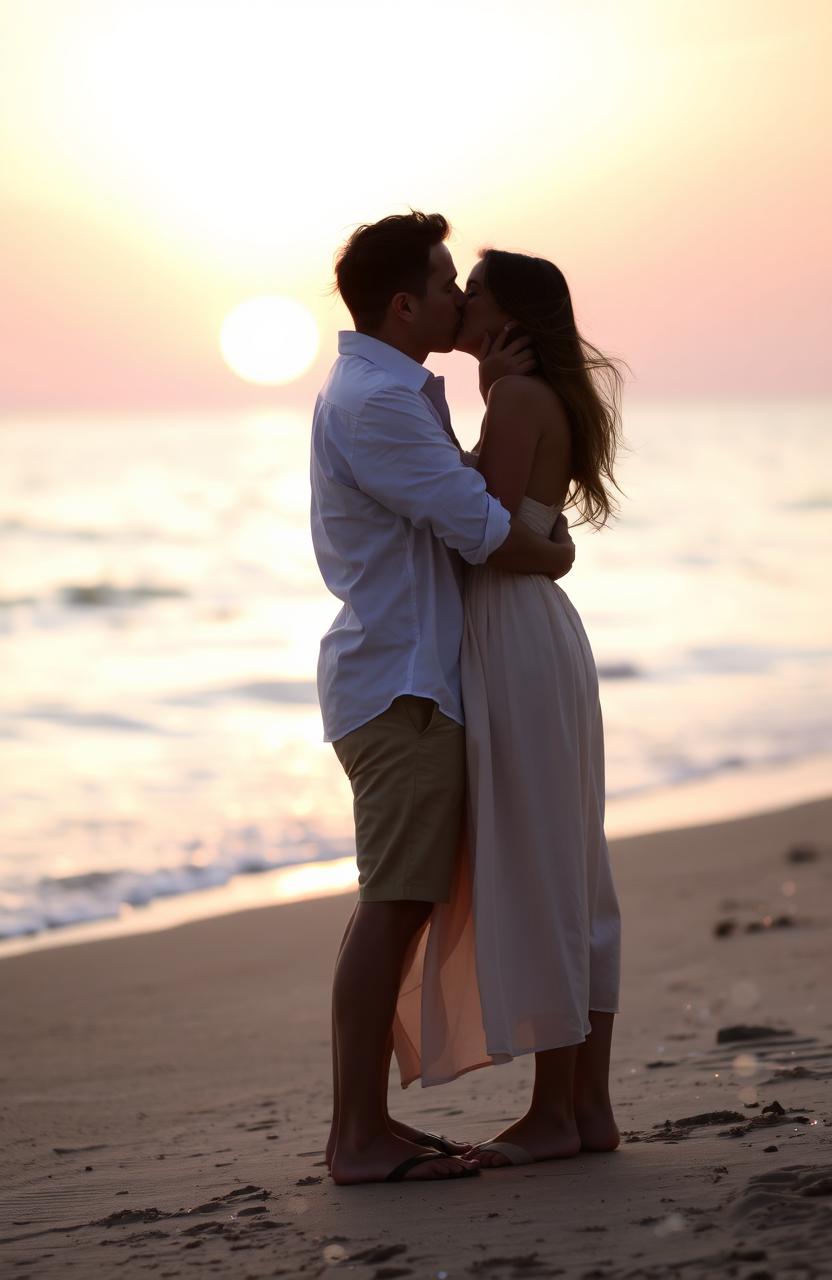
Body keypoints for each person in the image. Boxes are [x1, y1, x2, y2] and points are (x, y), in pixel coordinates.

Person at [310, 213, 577, 1185]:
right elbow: (482, 527)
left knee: (401, 896)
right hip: (399, 683)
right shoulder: (377, 403)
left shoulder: (399, 392)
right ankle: (356, 1133)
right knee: (394, 899)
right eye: (444, 280)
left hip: (419, 678)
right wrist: (554, 551)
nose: (460, 298)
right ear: (403, 303)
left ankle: (363, 1126)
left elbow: (462, 502)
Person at [394, 249, 624, 1169]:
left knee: (543, 867)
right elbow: (518, 526)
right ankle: (587, 1109)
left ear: (509, 314)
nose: (460, 299)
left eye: (473, 290)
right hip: (535, 631)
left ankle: (555, 1115)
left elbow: (483, 538)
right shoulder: (525, 398)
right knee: (572, 869)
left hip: (517, 635)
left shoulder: (517, 401)